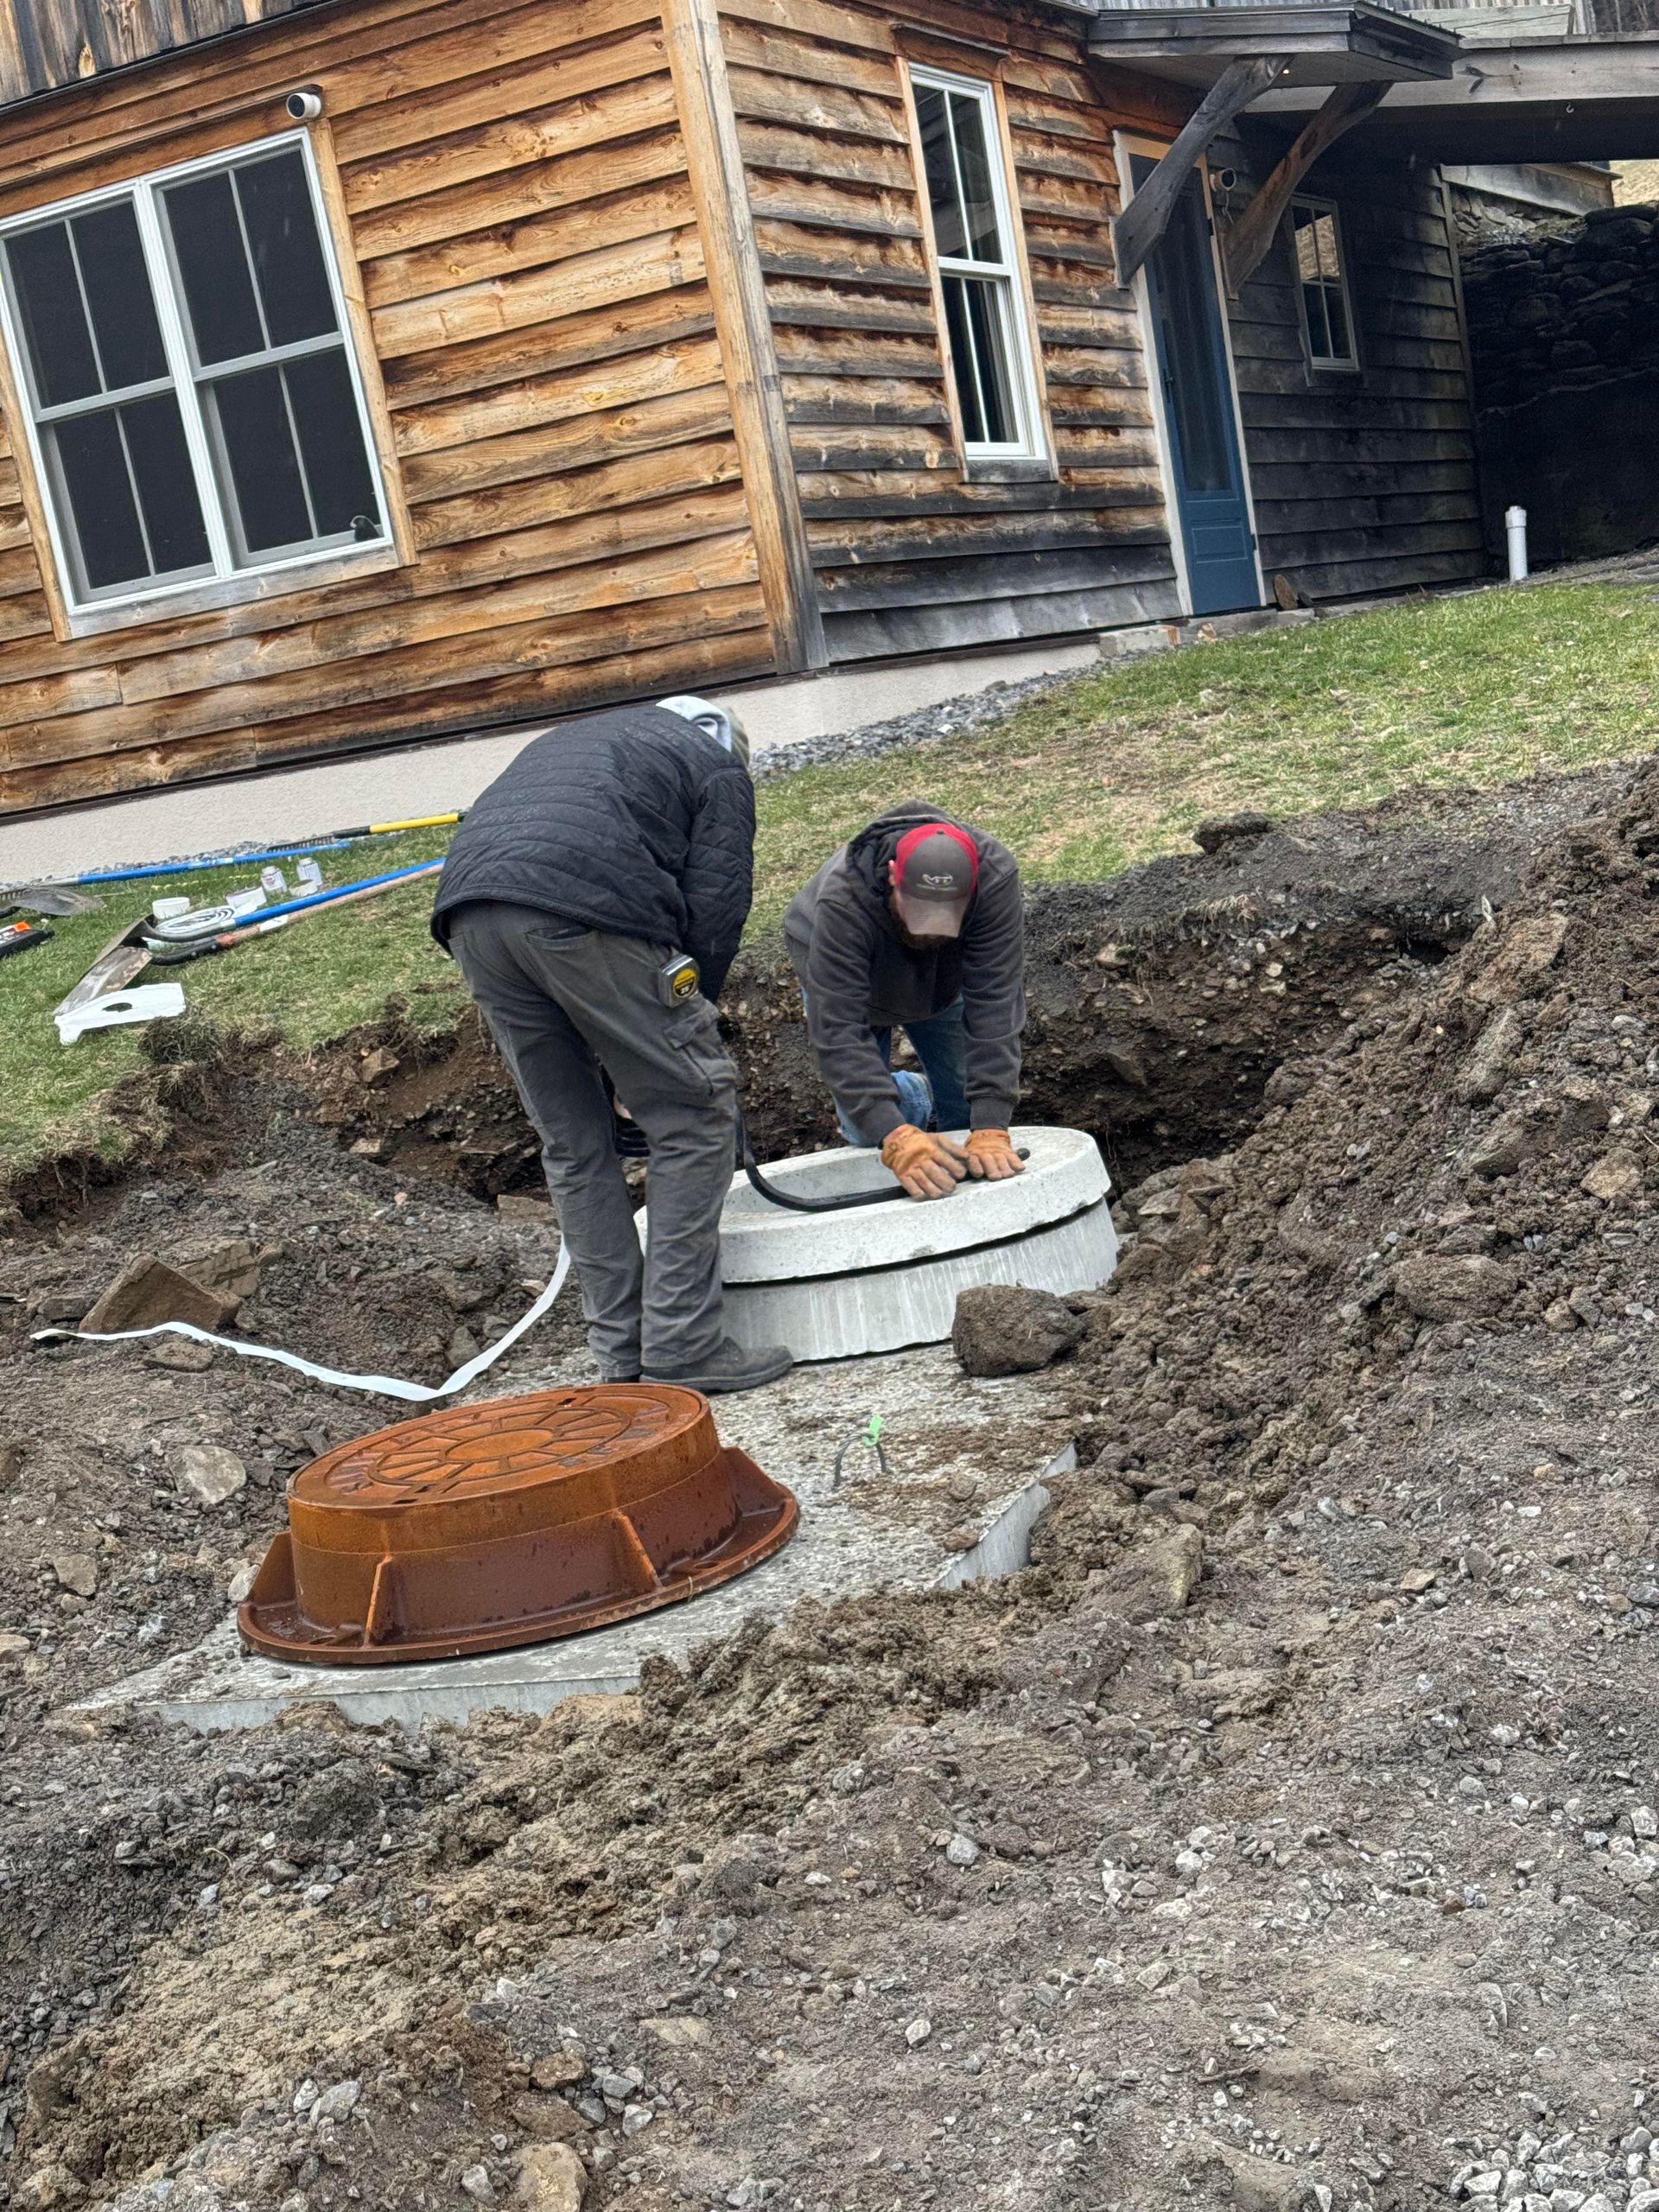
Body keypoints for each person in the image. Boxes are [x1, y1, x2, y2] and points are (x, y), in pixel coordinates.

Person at [430, 696, 791, 1394]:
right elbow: (717, 907)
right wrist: (687, 1022)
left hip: (472, 921)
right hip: (586, 914)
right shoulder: (716, 766)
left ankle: (622, 1351)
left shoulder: (579, 737)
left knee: (573, 1141)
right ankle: (684, 1345)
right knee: (694, 1113)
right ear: (724, 742)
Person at [784, 800, 1027, 1200]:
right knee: (868, 1129)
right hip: (846, 981)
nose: (927, 928)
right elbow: (839, 1033)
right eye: (917, 911)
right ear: (894, 875)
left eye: (943, 916)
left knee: (967, 1104)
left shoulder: (994, 879)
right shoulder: (843, 902)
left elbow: (996, 1002)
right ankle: (913, 1096)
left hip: (940, 983)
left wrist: (991, 1123)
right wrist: (895, 1134)